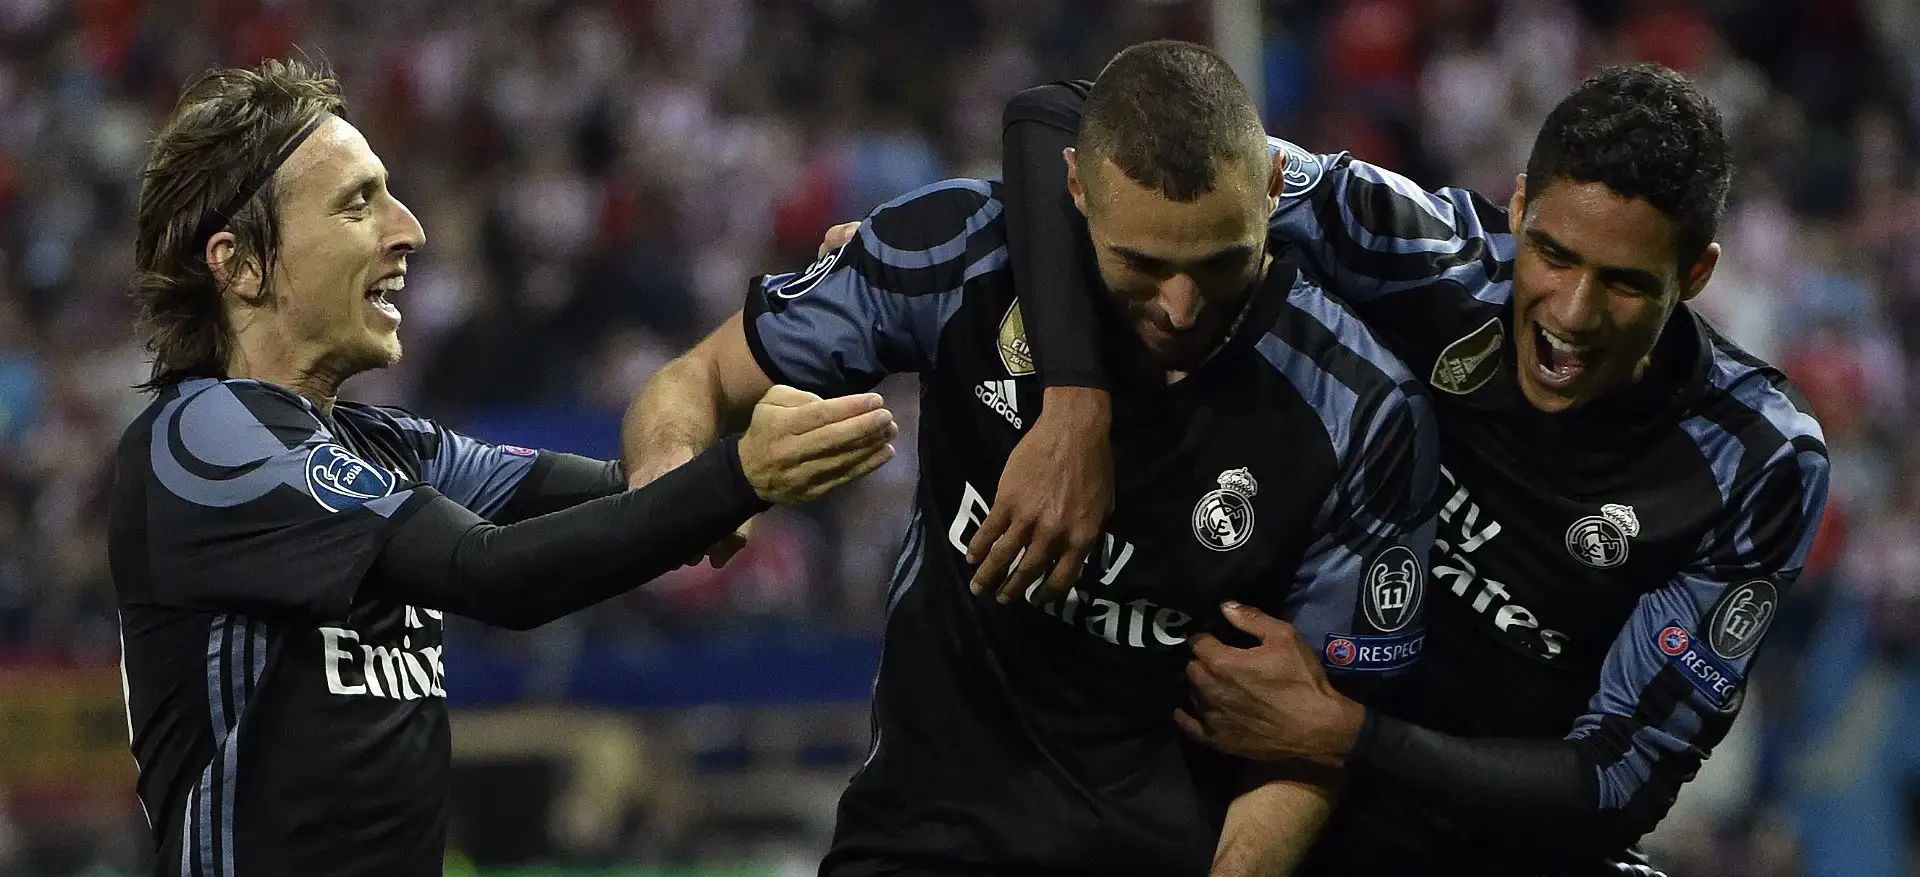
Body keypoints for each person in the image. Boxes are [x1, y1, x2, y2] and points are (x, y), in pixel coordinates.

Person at [977, 61, 1831, 875]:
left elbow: (1615, 783)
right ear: (1518, 207)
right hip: (1250, 772)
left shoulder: (1756, 459)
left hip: (1479, 831)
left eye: (1625, 285)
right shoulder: (1423, 252)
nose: (1573, 313)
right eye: (1555, 255)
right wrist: (1069, 392)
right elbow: (1061, 117)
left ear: (1697, 273)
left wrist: (1346, 733)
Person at [630, 41, 1440, 877]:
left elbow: (1317, 732)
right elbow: (699, 378)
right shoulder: (960, 254)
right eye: (1143, 264)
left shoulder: (1363, 409)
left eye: (1219, 261)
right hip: (920, 839)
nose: (1179, 306)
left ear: (1274, 187)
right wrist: (670, 492)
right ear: (1076, 189)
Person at [110, 59, 897, 877]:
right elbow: (492, 572)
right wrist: (735, 479)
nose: (408, 228)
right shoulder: (202, 439)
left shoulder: (388, 446)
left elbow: (634, 497)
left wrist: (829, 322)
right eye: (357, 204)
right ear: (239, 264)